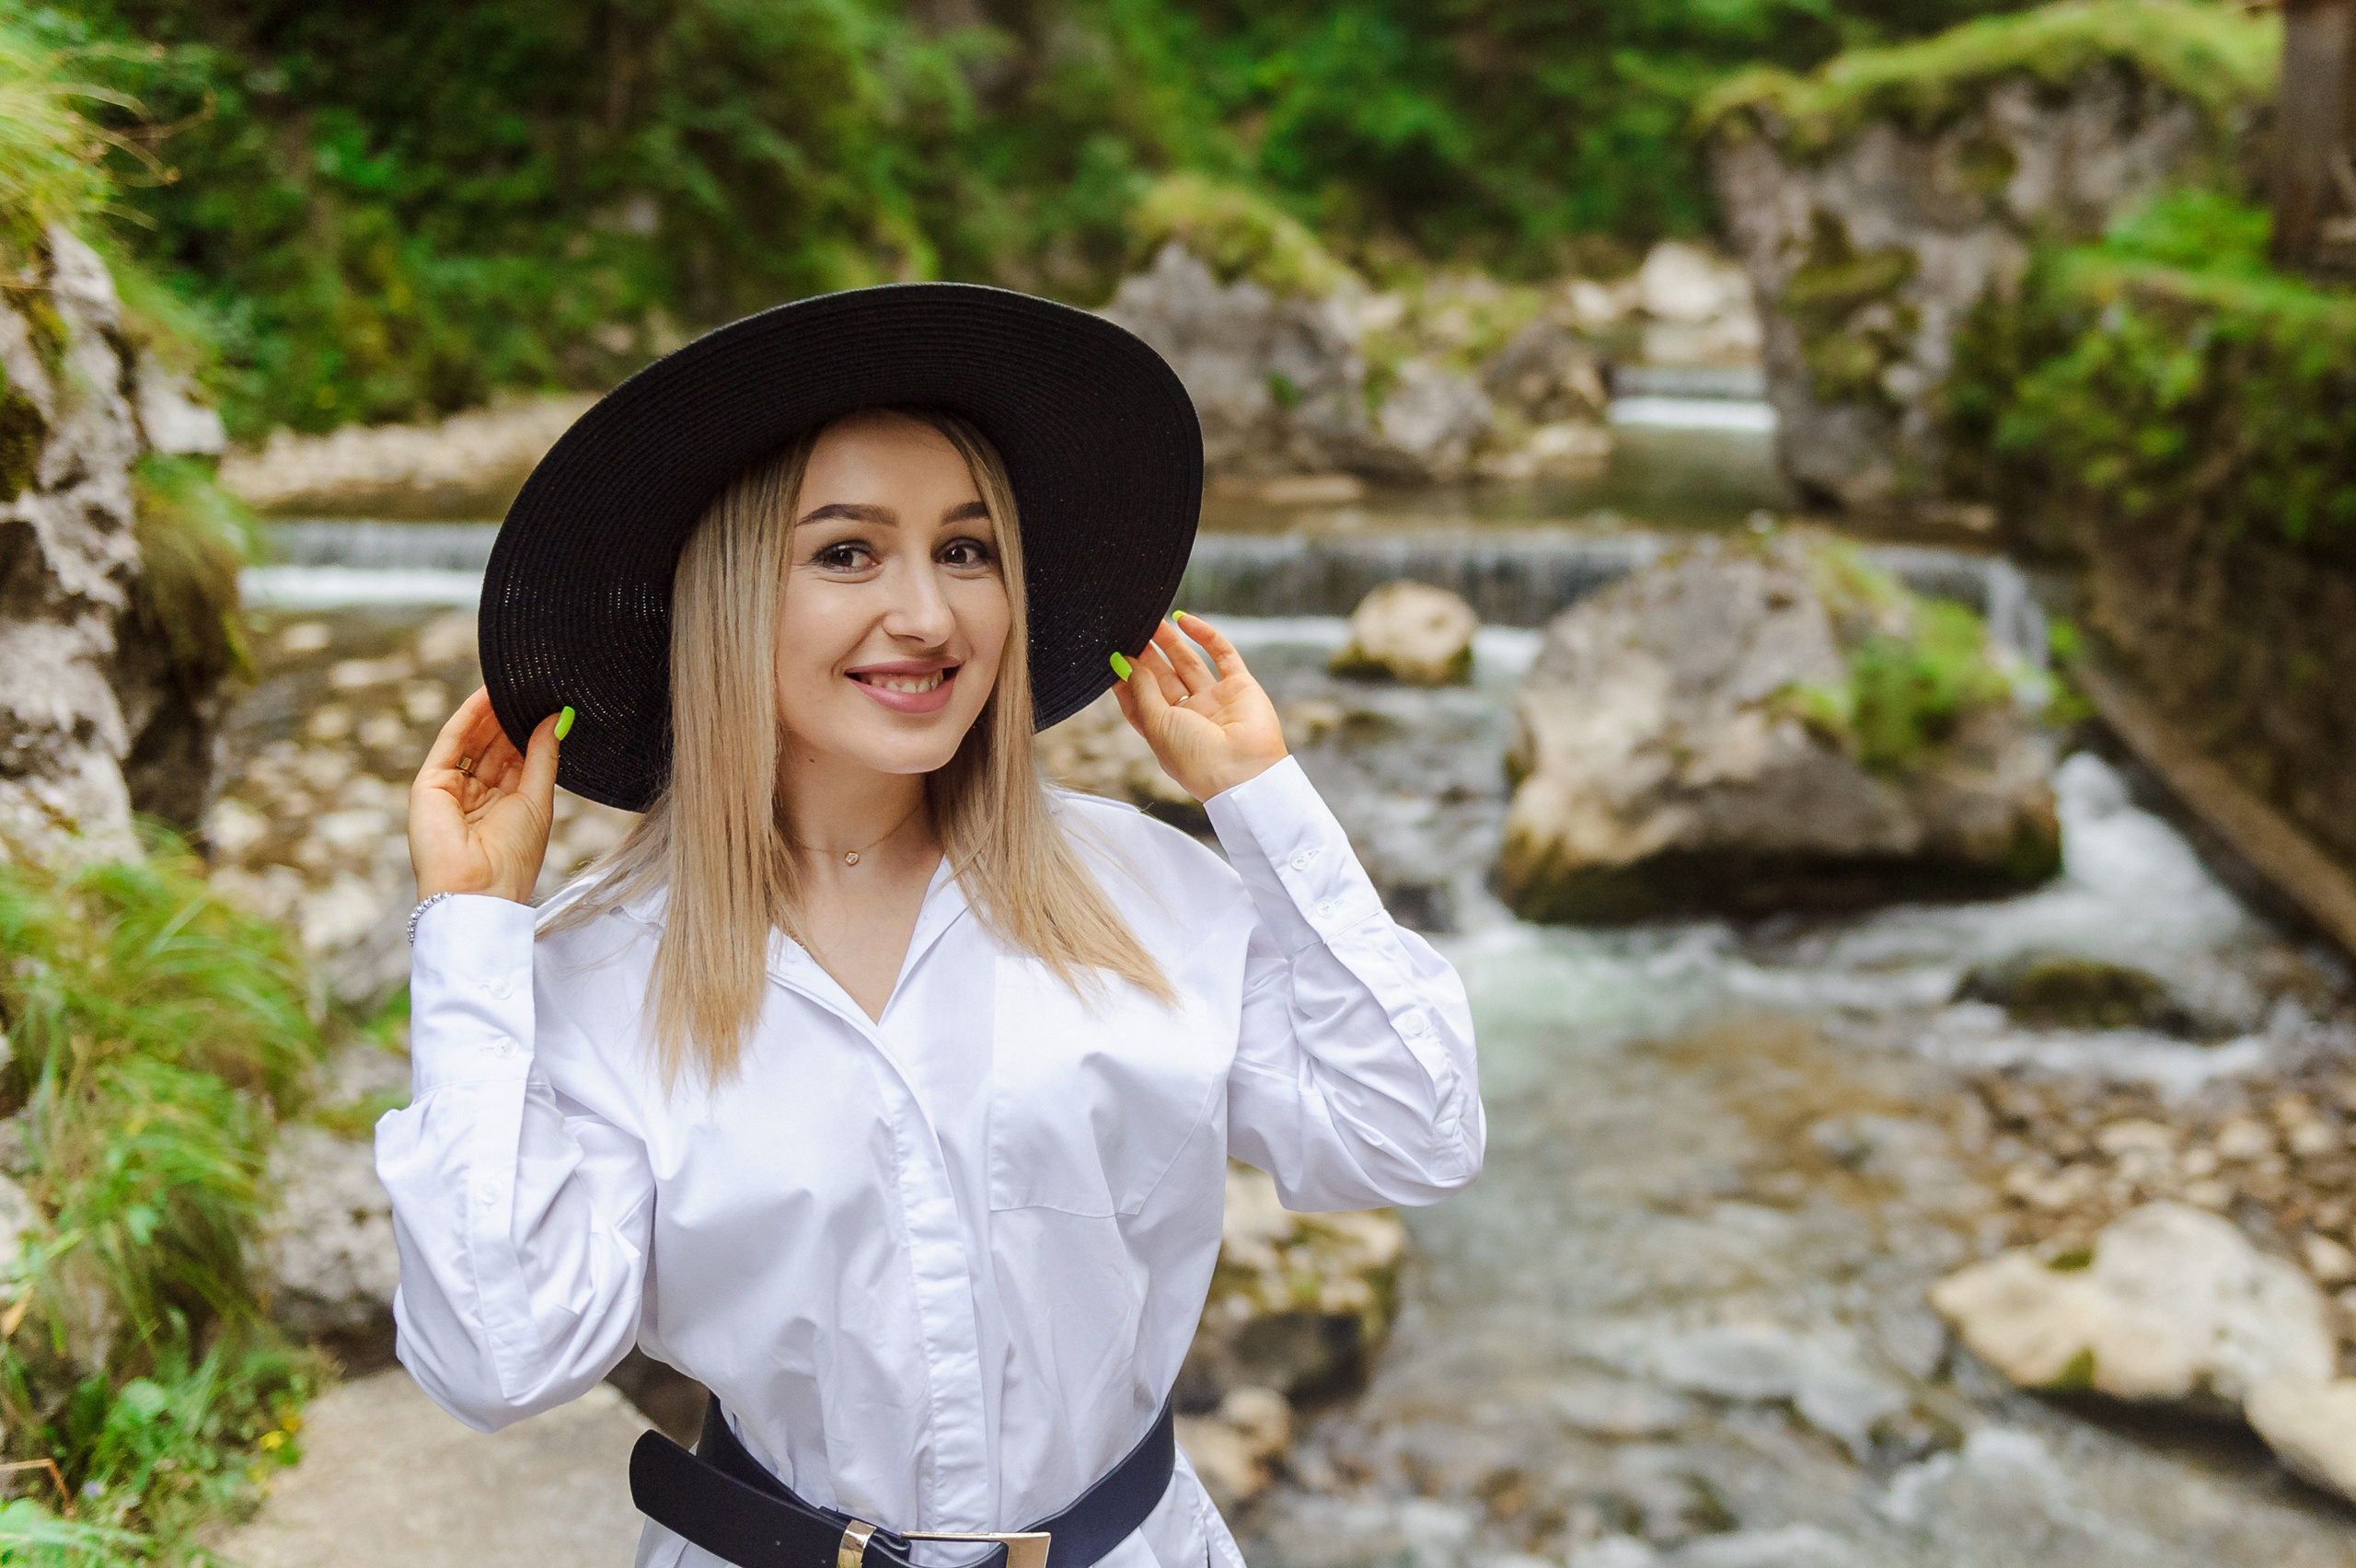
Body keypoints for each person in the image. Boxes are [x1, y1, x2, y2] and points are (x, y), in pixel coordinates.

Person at [377, 283, 1484, 1568]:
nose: (928, 615)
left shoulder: (1144, 892)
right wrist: (471, 930)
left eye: (968, 551)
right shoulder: (597, 968)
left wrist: (1263, 800)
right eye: (847, 553)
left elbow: (1417, 1134)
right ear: (729, 597)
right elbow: (498, 1358)